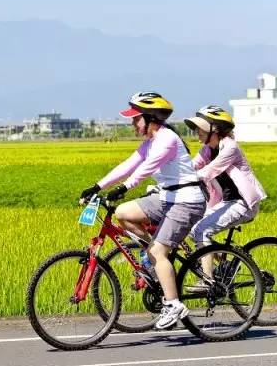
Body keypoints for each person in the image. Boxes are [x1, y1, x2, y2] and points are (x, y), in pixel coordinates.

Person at [80, 92, 206, 329]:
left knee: (158, 251)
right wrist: (97, 186)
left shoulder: (167, 139)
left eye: (135, 118)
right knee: (123, 213)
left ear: (151, 118)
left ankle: (173, 304)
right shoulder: (150, 142)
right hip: (166, 197)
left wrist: (125, 187)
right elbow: (128, 165)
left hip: (186, 201)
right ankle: (156, 255)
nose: (132, 123)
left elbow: (147, 168)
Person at [184, 106, 267, 283]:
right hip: (227, 202)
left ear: (215, 129)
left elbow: (209, 171)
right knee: (193, 230)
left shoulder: (230, 147)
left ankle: (207, 281)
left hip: (243, 203)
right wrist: (167, 183)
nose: (197, 132)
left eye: (201, 128)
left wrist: (183, 182)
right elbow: (191, 167)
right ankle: (228, 264)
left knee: (202, 231)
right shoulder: (207, 149)